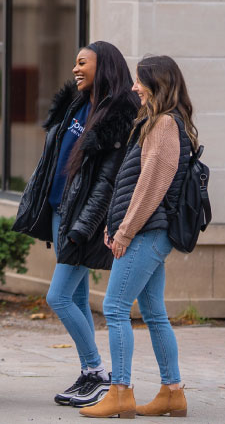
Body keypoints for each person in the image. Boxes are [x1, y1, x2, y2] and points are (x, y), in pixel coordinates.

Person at [11, 41, 138, 408]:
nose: (75, 69)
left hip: (82, 221)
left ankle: (98, 373)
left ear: (105, 67)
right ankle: (89, 373)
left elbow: (107, 182)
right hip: (58, 212)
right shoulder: (77, 105)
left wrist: (83, 227)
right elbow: (54, 158)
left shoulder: (119, 114)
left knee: (59, 296)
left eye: (83, 63)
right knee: (77, 296)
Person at [81, 55, 195, 419]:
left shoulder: (163, 124)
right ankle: (172, 392)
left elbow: (151, 186)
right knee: (153, 312)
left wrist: (125, 231)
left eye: (139, 81)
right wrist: (114, 224)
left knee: (114, 308)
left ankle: (121, 392)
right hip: (148, 231)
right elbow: (134, 184)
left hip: (147, 232)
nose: (133, 87)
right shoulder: (161, 123)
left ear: (157, 84)